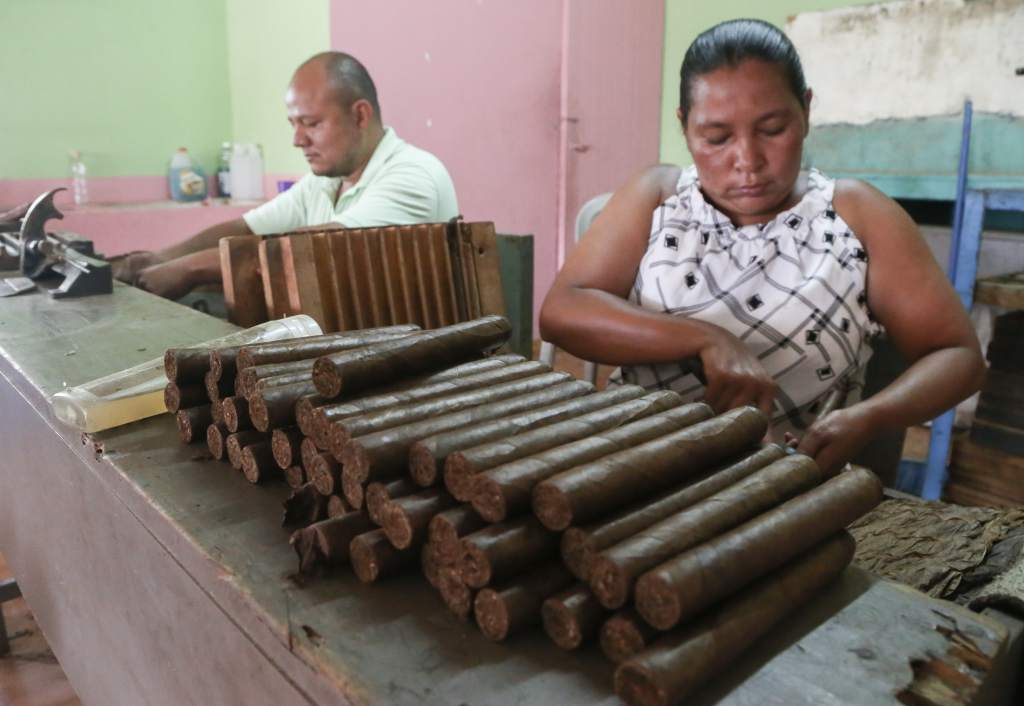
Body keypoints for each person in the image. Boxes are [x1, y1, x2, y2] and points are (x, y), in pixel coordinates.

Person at [539, 19, 984, 475]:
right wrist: (706, 338)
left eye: (772, 129)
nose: (747, 161)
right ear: (685, 127)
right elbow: (562, 312)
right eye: (717, 138)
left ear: (806, 110)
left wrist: (869, 417)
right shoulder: (657, 197)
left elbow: (958, 356)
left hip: (785, 490)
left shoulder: (856, 215)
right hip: (637, 470)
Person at [113, 51, 459, 299]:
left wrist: (189, 269)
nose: (298, 140)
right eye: (294, 125)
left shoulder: (413, 175)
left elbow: (314, 246)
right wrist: (160, 258)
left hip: (419, 368)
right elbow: (246, 228)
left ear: (360, 115)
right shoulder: (326, 182)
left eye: (311, 124)